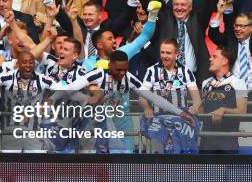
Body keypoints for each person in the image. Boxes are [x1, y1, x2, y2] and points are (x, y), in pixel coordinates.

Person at [63, 50, 195, 153]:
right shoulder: (97, 74)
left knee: (124, 159)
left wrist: (179, 113)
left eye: (125, 69)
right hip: (96, 123)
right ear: (110, 65)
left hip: (122, 122)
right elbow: (68, 91)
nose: (122, 73)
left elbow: (153, 97)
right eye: (118, 69)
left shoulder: (129, 78)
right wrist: (87, 98)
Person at [199, 46, 247, 154]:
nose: (210, 59)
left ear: (225, 61)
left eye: (214, 57)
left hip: (228, 143)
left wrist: (224, 110)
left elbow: (242, 112)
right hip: (206, 143)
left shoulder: (240, 83)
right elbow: (201, 111)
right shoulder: (205, 83)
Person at [140, 39, 201, 121]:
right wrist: (147, 108)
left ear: (177, 54)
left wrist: (195, 106)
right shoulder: (152, 70)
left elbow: (196, 98)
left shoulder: (185, 71)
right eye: (162, 52)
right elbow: (142, 96)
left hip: (180, 120)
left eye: (168, 53)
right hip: (158, 120)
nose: (164, 56)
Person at [209, 6, 252, 90]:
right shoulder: (230, 40)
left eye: (242, 26)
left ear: (251, 28)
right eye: (236, 26)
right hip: (232, 89)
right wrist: (219, 13)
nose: (238, 29)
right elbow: (213, 35)